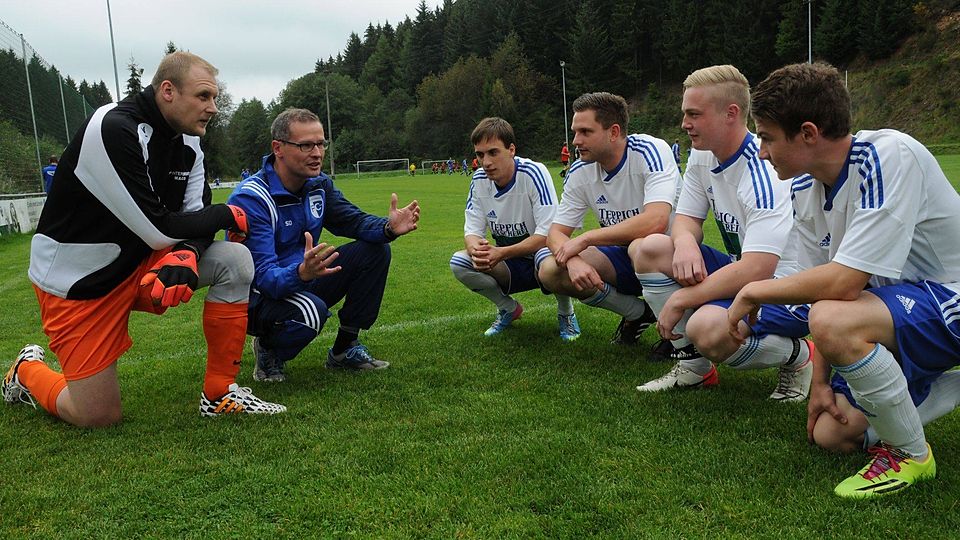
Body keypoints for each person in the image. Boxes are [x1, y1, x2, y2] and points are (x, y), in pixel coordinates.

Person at [1, 51, 283, 427]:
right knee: (97, 416)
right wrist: (226, 215)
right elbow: (161, 226)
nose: (212, 108)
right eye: (203, 96)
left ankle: (219, 393)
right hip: (80, 281)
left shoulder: (190, 141)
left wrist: (187, 253)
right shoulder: (113, 127)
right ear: (168, 90)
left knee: (234, 259)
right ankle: (25, 370)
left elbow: (194, 214)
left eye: (214, 97)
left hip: (143, 263)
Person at [728, 62, 960, 498]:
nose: (761, 151)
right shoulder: (804, 188)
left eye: (768, 137)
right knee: (832, 434)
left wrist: (753, 289)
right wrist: (818, 385)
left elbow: (843, 285)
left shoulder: (887, 154)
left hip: (952, 297)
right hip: (900, 313)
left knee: (836, 318)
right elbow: (824, 290)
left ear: (809, 133)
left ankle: (911, 455)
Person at [631, 65, 812, 400]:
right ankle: (694, 370)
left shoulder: (763, 173)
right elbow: (685, 218)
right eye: (685, 113)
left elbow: (759, 269)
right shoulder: (702, 155)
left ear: (731, 113)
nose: (685, 123)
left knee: (707, 329)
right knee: (649, 248)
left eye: (694, 114)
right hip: (744, 271)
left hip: (787, 288)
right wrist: (684, 242)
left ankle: (799, 356)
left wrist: (683, 298)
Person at [228, 108, 420, 382]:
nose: (317, 153)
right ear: (278, 148)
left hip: (302, 277)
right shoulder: (252, 199)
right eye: (306, 145)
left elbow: (352, 221)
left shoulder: (318, 185)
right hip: (257, 298)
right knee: (310, 313)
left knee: (374, 251)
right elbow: (261, 276)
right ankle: (268, 348)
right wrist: (300, 274)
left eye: (321, 144)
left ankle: (344, 349)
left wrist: (388, 228)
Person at [537, 92, 680, 344]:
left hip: (671, 258)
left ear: (613, 132)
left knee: (642, 246)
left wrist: (587, 239)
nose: (575, 141)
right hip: (625, 257)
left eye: (585, 132)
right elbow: (555, 233)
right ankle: (637, 313)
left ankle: (679, 334)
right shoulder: (580, 170)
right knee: (550, 270)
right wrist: (572, 261)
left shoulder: (650, 150)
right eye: (575, 132)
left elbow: (656, 221)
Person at [450, 117, 579, 340]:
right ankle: (508, 308)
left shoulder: (533, 173)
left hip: (541, 254)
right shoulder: (479, 179)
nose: (486, 162)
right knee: (460, 262)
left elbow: (549, 235)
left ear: (511, 149)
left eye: (493, 152)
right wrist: (477, 250)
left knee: (556, 253)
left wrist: (501, 252)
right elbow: (471, 231)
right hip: (507, 261)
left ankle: (566, 313)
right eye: (480, 155)